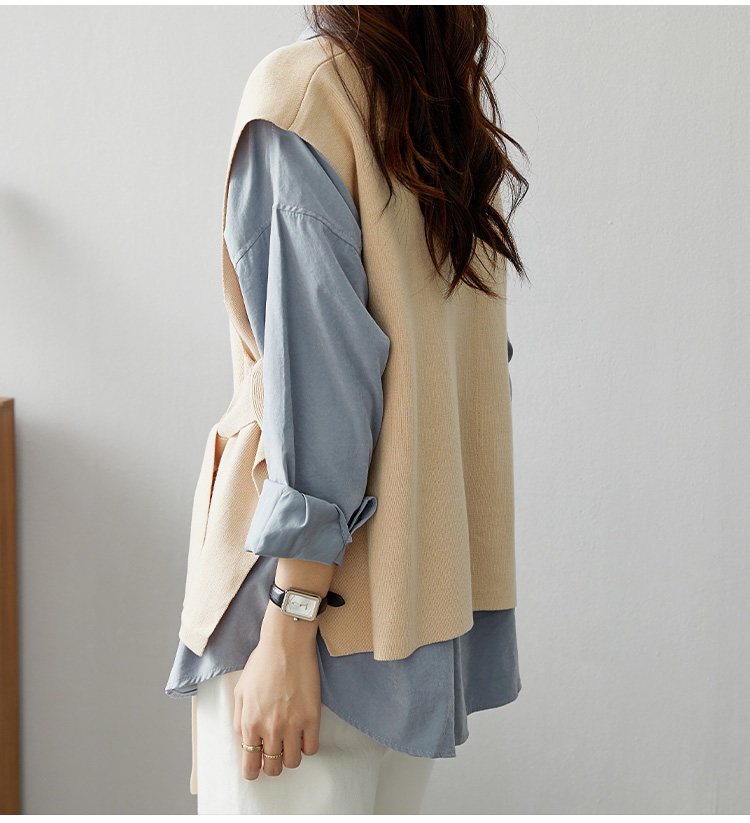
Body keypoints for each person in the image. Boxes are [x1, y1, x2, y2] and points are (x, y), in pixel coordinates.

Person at [165, 6, 528, 814]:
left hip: (307, 620)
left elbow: (323, 384)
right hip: (415, 608)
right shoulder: (437, 103)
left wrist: (290, 618)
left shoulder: (305, 94)